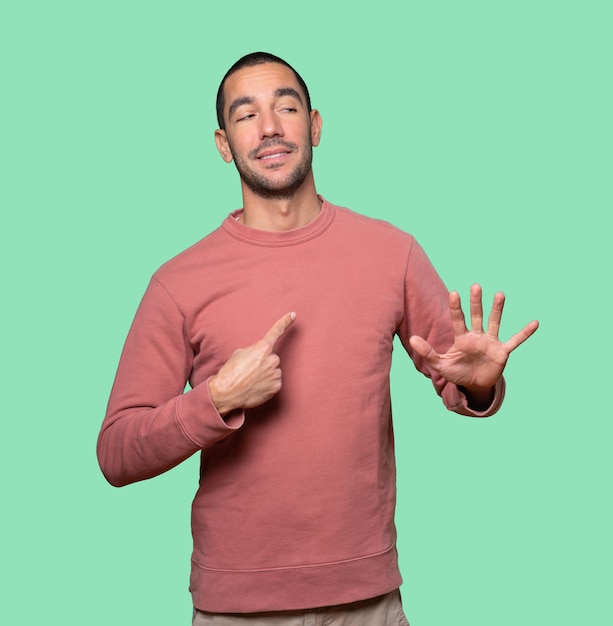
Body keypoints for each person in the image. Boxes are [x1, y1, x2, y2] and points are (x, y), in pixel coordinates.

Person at [97, 51, 539, 625]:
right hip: (238, 608)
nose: (271, 127)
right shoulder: (179, 282)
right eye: (246, 114)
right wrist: (216, 401)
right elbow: (116, 452)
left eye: (287, 106)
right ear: (223, 144)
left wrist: (480, 388)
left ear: (316, 125)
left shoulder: (391, 252)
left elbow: (456, 378)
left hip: (368, 600)